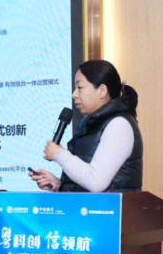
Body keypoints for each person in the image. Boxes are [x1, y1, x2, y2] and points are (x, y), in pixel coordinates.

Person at [30, 59, 143, 193]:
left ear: (101, 91)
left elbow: (96, 182)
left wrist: (59, 154)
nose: (74, 94)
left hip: (111, 207)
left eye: (80, 87)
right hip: (89, 206)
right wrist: (59, 184)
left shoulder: (119, 125)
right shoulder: (91, 123)